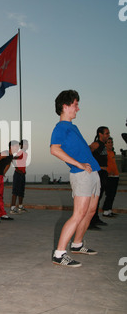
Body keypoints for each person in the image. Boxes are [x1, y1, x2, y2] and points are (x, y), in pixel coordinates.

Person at [50, 90, 100, 267]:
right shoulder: (60, 127)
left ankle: (77, 245)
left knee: (91, 211)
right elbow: (54, 149)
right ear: (65, 106)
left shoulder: (73, 127)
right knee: (79, 214)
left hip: (93, 172)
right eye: (75, 104)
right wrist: (78, 164)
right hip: (81, 174)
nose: (78, 108)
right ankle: (59, 254)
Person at [0, 140, 20, 223]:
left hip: (0, 177)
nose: (18, 148)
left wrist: (3, 173)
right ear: (11, 147)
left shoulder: (11, 155)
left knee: (0, 196)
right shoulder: (5, 153)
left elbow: (8, 164)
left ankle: (2, 214)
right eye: (16, 146)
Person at [89, 126, 110, 229]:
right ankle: (90, 222)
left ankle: (95, 218)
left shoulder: (103, 145)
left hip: (103, 173)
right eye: (106, 133)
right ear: (100, 134)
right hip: (98, 173)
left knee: (99, 197)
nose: (108, 135)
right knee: (95, 198)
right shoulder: (96, 144)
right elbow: (87, 152)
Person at [10, 139, 29, 214]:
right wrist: (17, 168)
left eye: (28, 144)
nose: (27, 146)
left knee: (21, 191)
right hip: (18, 174)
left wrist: (24, 170)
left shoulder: (25, 153)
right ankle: (12, 208)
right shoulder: (20, 152)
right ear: (21, 145)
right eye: (26, 144)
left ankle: (20, 207)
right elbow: (13, 159)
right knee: (15, 191)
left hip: (22, 174)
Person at [102, 137, 119, 217]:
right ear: (105, 144)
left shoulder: (112, 152)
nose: (110, 144)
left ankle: (109, 210)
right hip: (109, 177)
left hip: (115, 176)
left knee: (113, 194)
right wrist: (108, 171)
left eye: (111, 142)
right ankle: (105, 211)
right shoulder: (104, 153)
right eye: (108, 142)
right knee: (109, 194)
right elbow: (102, 164)